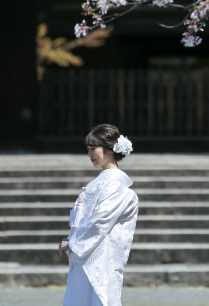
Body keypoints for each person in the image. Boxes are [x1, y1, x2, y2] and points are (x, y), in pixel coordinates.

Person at [59, 124, 138, 306]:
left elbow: (101, 220)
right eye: (88, 149)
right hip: (86, 257)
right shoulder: (102, 182)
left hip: (102, 261)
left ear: (110, 148)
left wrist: (73, 242)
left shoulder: (117, 186)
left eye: (93, 148)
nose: (89, 155)